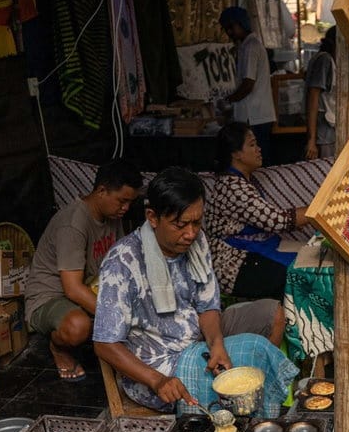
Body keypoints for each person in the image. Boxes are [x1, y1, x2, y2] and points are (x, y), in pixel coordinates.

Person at [93, 166, 298, 418]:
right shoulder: (123, 261)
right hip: (159, 366)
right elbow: (105, 343)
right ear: (152, 217)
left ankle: (249, 415)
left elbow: (207, 305)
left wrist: (217, 344)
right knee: (253, 348)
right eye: (180, 225)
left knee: (270, 314)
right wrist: (157, 381)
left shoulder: (197, 241)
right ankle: (246, 419)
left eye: (197, 222)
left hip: (196, 336)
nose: (190, 234)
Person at [25, 159, 142, 381]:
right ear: (101, 191)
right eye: (122, 201)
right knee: (79, 326)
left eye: (130, 202)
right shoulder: (73, 224)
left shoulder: (112, 214)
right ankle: (58, 347)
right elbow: (73, 289)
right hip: (51, 297)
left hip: (90, 286)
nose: (125, 208)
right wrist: (117, 316)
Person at [207, 122, 309, 301]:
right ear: (236, 153)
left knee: (312, 260)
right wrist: (317, 212)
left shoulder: (243, 182)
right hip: (235, 264)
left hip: (255, 250)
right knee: (303, 275)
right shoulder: (232, 187)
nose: (259, 149)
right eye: (252, 145)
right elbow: (276, 220)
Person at [220, 6, 276, 158]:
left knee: (256, 161)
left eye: (231, 27)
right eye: (227, 29)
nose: (229, 32)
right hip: (255, 115)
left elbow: (248, 84)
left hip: (255, 116)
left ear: (241, 24)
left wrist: (228, 100)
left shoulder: (251, 48)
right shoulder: (247, 46)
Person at [304, 26, 337, 159]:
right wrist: (311, 140)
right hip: (323, 133)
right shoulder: (325, 60)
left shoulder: (326, 60)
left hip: (328, 132)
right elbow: (313, 98)